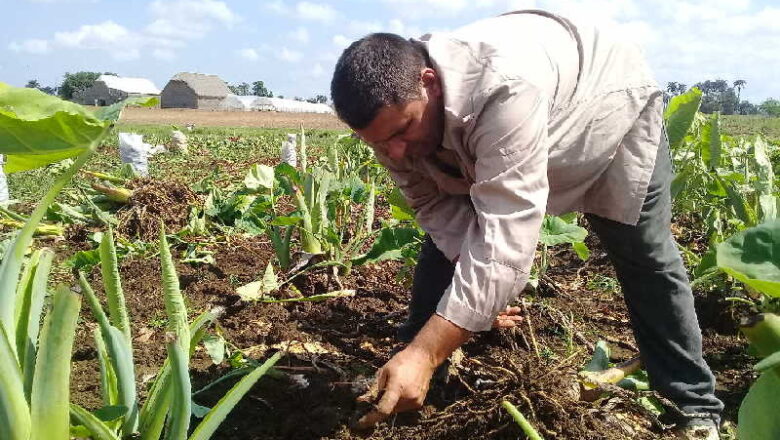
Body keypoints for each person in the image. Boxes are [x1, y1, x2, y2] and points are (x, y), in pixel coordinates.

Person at [330, 9, 723, 439]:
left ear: (429, 81)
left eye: (403, 130)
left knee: (644, 255)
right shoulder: (393, 126)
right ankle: (410, 375)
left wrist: (429, 350)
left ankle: (694, 405)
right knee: (444, 247)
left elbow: (504, 242)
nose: (397, 152)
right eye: (380, 142)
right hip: (522, 115)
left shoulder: (503, 88)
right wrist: (469, 296)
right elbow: (434, 208)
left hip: (607, 109)